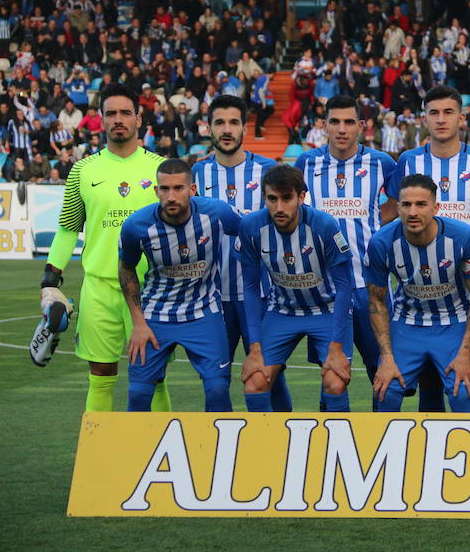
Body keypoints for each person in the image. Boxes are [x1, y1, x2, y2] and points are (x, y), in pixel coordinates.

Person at [39, 84, 171, 412]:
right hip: (99, 288)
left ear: (139, 119)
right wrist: (49, 281)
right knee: (100, 375)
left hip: (150, 290)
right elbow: (69, 227)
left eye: (125, 113)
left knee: (154, 377)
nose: (118, 119)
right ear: (101, 120)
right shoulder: (83, 170)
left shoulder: (161, 168)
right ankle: (99, 458)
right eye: (110, 113)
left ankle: (162, 457)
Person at [394, 84, 470, 412]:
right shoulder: (408, 160)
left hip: (468, 292)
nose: (441, 119)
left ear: (462, 118)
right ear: (424, 118)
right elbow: (395, 212)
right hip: (419, 289)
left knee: (468, 381)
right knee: (429, 385)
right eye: (434, 113)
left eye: (448, 112)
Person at [295, 94, 399, 410]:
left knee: (383, 371)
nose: (342, 129)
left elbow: (394, 206)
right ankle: (335, 448)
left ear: (361, 126)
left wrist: (370, 227)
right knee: (333, 376)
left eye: (349, 122)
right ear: (324, 126)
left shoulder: (382, 163)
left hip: (372, 287)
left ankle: (384, 443)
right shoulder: (306, 163)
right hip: (326, 289)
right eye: (335, 122)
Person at [191, 95, 291, 409]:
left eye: (234, 122)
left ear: (244, 128)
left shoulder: (267, 170)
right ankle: (221, 454)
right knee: (216, 385)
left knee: (269, 379)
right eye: (219, 122)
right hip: (211, 297)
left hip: (262, 295)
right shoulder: (195, 174)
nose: (227, 129)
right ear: (208, 127)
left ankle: (283, 445)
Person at [118, 159, 240, 412]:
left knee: (217, 389)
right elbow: (126, 269)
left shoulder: (217, 213)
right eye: (164, 189)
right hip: (155, 314)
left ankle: (219, 450)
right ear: (156, 191)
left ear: (192, 190)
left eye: (178, 188)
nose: (171, 196)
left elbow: (250, 232)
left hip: (204, 311)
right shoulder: (136, 226)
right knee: (138, 393)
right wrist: (138, 322)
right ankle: (138, 450)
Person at [365, 174, 470, 413]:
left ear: (435, 208)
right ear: (397, 206)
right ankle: (389, 450)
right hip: (408, 322)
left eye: (421, 204)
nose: (413, 212)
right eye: (406, 204)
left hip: (456, 321)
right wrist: (387, 358)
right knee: (386, 391)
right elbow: (376, 301)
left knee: (462, 393)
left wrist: (465, 353)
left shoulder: (463, 237)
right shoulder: (381, 243)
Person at [236, 165, 354, 412]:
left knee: (335, 381)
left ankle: (337, 445)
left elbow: (344, 287)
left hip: (327, 309)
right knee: (255, 382)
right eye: (272, 199)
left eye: (287, 198)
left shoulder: (324, 225)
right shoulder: (251, 227)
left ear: (301, 197)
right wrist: (254, 347)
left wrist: (336, 348)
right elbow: (249, 286)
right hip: (283, 310)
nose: (279, 207)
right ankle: (268, 447)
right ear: (264, 198)